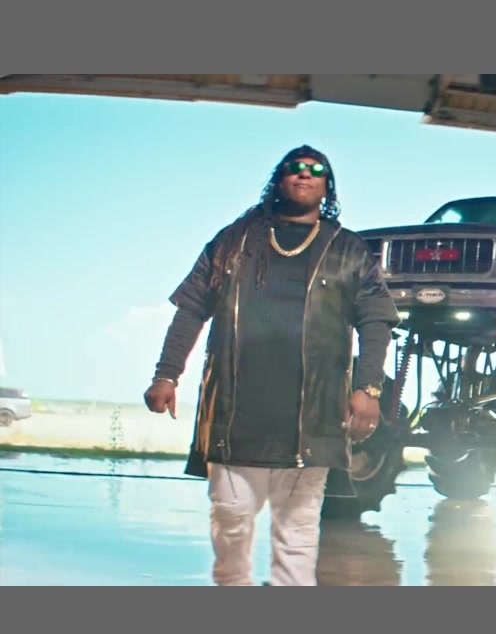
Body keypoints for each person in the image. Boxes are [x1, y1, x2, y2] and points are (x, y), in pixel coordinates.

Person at [143, 145, 401, 586]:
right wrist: (166, 374)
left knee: (298, 529)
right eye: (294, 168)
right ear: (278, 180)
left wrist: (368, 388)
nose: (305, 174)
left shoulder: (348, 249)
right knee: (231, 517)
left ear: (327, 186)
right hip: (235, 412)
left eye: (316, 170)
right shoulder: (234, 241)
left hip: (312, 416)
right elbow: (190, 310)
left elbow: (375, 321)